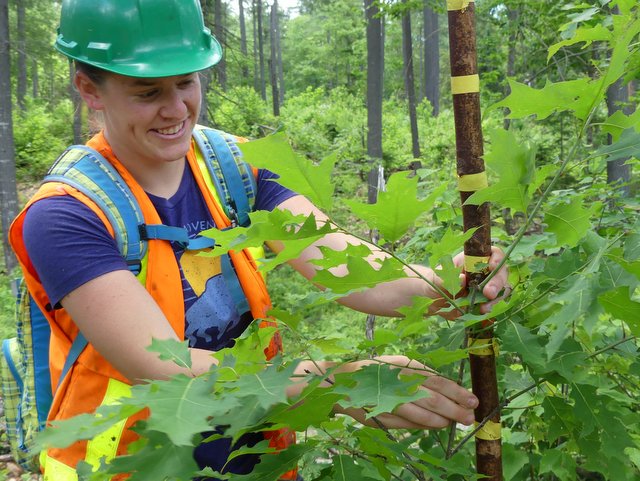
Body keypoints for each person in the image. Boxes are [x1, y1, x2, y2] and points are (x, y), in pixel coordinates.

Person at [9, 0, 509, 479]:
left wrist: (448, 282)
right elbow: (162, 367)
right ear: (90, 90)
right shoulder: (65, 216)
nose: (176, 108)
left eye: (186, 82)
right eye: (147, 92)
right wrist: (338, 382)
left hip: (255, 452)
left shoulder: (234, 169)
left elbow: (352, 269)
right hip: (129, 464)